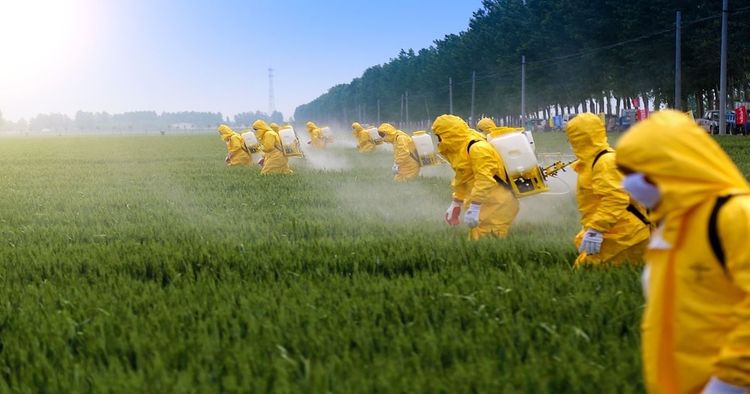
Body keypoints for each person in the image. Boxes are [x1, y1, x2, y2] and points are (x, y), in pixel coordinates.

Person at [615, 110, 750, 394]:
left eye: (636, 173)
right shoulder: (671, 227)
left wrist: (731, 381)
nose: (628, 184)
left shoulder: (735, 217)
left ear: (671, 166)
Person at [564, 112, 650, 267]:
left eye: (571, 137)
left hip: (625, 235)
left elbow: (615, 199)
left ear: (580, 138)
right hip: (617, 230)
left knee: (584, 272)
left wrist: (596, 230)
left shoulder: (604, 162)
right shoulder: (593, 162)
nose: (569, 142)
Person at [432, 114, 519, 240]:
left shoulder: (477, 148)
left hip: (497, 204)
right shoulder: (461, 148)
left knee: (488, 244)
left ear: (448, 134)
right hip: (486, 203)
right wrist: (456, 202)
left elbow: (485, 180)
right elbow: (462, 177)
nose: (438, 140)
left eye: (439, 136)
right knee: (477, 241)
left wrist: (475, 206)